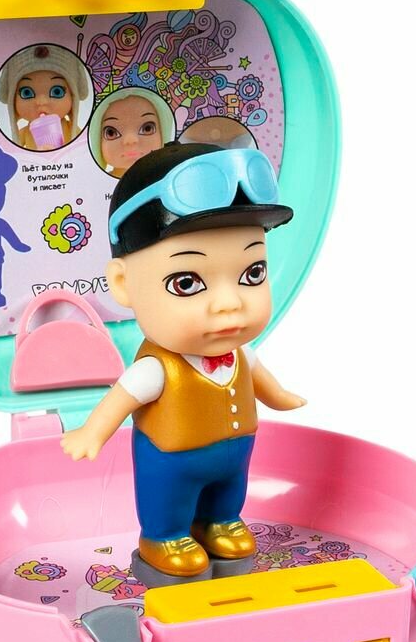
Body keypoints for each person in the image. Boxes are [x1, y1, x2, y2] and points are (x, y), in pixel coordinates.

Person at [60, 142, 307, 582]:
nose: (229, 303)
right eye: (187, 282)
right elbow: (120, 399)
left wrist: (281, 396)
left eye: (252, 273)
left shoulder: (240, 354)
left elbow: (262, 380)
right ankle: (164, 536)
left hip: (234, 454)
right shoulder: (156, 369)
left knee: (228, 492)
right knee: (167, 501)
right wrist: (91, 432)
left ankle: (220, 521)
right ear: (124, 284)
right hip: (170, 460)